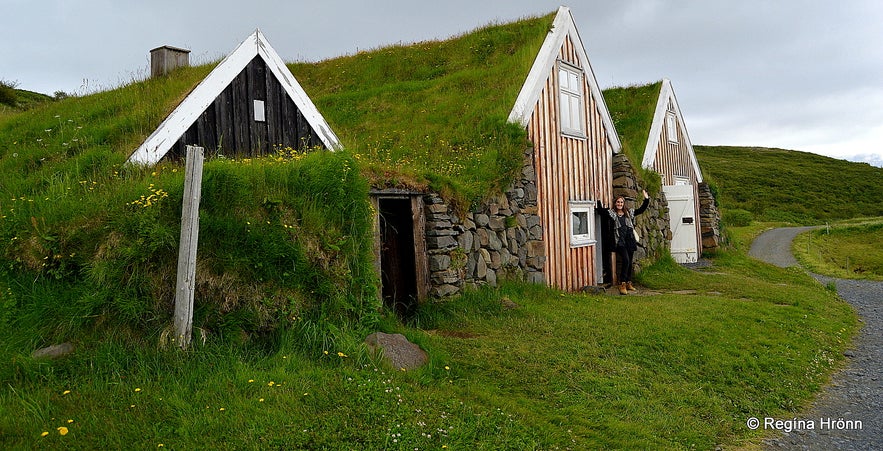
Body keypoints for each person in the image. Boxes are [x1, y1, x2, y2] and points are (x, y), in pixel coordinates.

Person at [606, 189, 650, 295]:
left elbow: (641, 210)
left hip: (630, 240)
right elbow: (602, 212)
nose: (620, 204)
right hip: (620, 242)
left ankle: (629, 283)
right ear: (615, 203)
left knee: (629, 262)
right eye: (618, 202)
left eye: (621, 202)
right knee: (625, 260)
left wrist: (646, 199)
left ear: (623, 203)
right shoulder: (612, 214)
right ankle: (622, 284)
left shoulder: (629, 213)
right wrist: (598, 199)